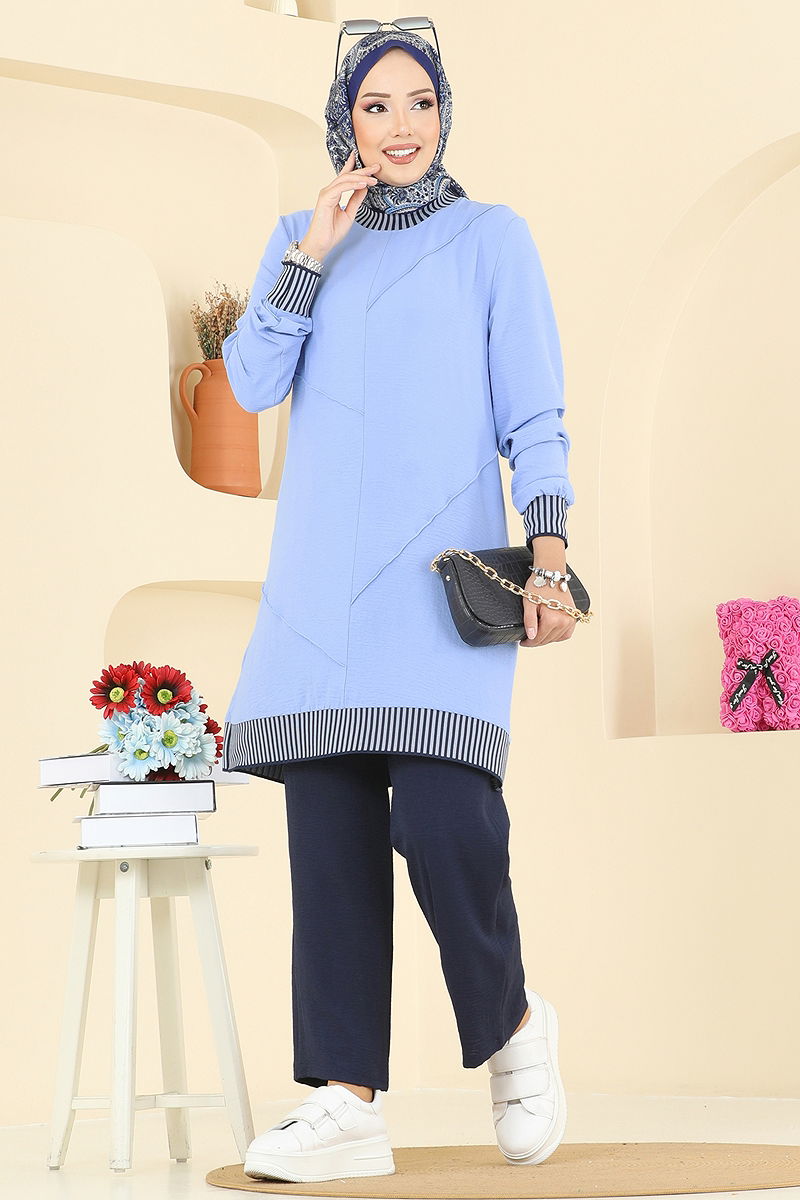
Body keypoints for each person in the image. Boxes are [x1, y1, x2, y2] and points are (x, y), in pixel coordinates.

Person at [221, 24, 574, 1185]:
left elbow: (533, 415)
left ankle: (510, 1025)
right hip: (318, 603)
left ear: (442, 112)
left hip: (437, 595)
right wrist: (311, 253)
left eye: (418, 100)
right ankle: (344, 1102)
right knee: (328, 850)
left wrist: (549, 555)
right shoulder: (301, 237)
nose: (402, 124)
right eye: (375, 105)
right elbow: (251, 384)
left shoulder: (491, 239)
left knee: (443, 822)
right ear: (346, 124)